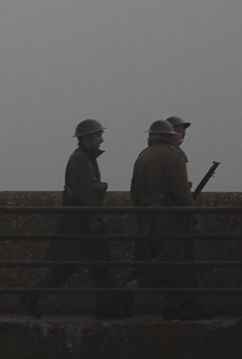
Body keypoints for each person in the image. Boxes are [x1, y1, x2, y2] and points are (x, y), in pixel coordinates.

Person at [22, 119, 129, 319]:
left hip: (81, 222)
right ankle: (31, 295)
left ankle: (104, 306)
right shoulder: (80, 159)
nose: (101, 140)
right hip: (82, 223)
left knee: (91, 266)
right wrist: (94, 217)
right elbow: (84, 192)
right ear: (88, 138)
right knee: (75, 267)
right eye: (98, 136)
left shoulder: (85, 157)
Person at [132, 119, 203, 320]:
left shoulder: (143, 156)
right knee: (170, 261)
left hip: (148, 217)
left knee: (168, 262)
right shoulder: (174, 155)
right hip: (169, 217)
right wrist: (192, 218)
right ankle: (128, 290)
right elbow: (181, 191)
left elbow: (135, 192)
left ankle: (177, 305)